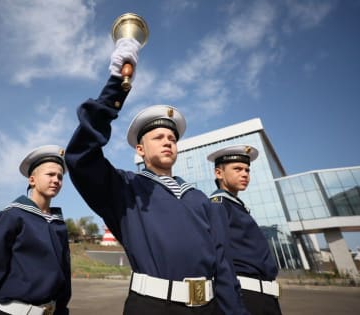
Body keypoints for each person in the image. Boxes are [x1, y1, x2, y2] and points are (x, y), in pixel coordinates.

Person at [65, 38, 247, 315]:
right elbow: (81, 156)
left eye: (172, 138)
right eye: (158, 137)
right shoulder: (124, 188)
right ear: (140, 149)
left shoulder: (201, 200)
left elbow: (223, 267)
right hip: (153, 307)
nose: (167, 141)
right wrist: (116, 85)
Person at [0, 145, 71, 315]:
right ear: (32, 180)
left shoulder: (58, 225)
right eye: (50, 174)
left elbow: (64, 279)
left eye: (60, 177)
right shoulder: (12, 217)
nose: (56, 180)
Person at [207, 145, 282, 315]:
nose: (245, 174)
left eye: (247, 170)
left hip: (263, 298)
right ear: (219, 173)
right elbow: (220, 258)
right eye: (237, 169)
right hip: (245, 297)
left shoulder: (236, 206)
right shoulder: (218, 205)